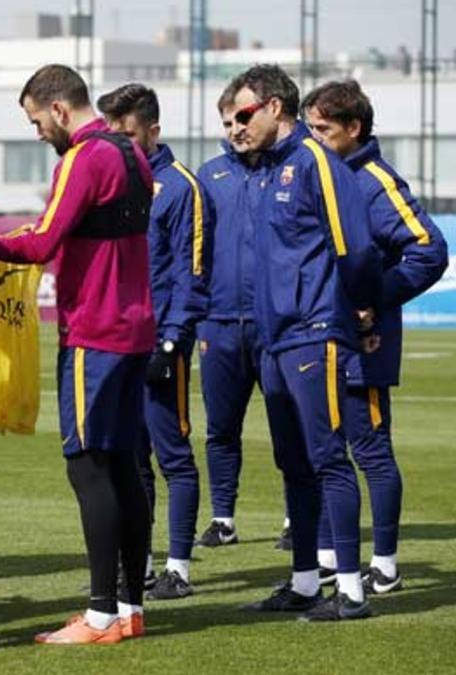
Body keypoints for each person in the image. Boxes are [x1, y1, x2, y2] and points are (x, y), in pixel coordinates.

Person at [0, 64, 153, 645]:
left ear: (60, 109)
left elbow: (43, 238)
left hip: (93, 332)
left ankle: (98, 616)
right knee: (122, 465)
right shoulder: (135, 153)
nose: (37, 132)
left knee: (87, 464)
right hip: (134, 329)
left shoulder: (84, 158)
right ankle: (128, 608)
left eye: (36, 120)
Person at [230, 64, 381, 622]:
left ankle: (352, 589)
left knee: (329, 460)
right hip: (275, 341)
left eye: (244, 115)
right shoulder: (267, 169)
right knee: (293, 463)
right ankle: (303, 581)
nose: (237, 127)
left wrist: (361, 309)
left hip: (316, 333)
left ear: (274, 107)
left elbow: (355, 247)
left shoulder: (316, 161)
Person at [303, 79, 448, 594]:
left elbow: (429, 248)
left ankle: (384, 563)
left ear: (353, 128)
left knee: (370, 450)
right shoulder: (321, 175)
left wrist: (373, 298)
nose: (313, 138)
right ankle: (325, 557)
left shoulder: (374, 180)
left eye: (322, 129)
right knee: (325, 450)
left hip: (364, 344)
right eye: (309, 129)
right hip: (319, 342)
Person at [97, 83, 213, 600]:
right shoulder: (117, 184)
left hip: (161, 342)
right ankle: (138, 564)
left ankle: (179, 567)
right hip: (123, 341)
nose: (118, 142)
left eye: (127, 133)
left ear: (153, 131)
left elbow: (192, 272)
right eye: (111, 133)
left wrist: (172, 342)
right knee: (131, 458)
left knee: (173, 455)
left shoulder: (180, 186)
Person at [194, 82, 290, 550]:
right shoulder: (208, 177)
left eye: (240, 119)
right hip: (217, 323)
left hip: (275, 326)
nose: (234, 129)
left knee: (287, 424)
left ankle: (296, 517)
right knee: (220, 428)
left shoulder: (289, 172)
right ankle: (223, 518)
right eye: (226, 122)